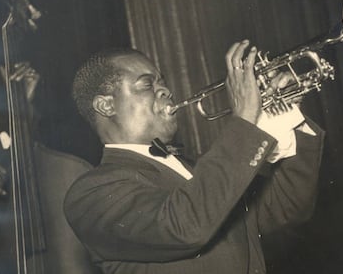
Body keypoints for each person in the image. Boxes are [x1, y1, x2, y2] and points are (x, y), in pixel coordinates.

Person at [64, 40, 325, 274]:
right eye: (147, 84)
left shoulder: (198, 170)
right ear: (106, 105)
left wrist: (289, 116)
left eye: (162, 81)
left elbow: (284, 212)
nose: (165, 90)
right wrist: (245, 119)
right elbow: (184, 227)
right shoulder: (92, 192)